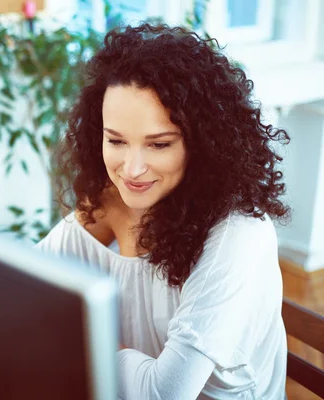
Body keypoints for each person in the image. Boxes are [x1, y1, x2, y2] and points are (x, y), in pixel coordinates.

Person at [36, 23, 290, 399]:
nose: (132, 169)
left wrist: (91, 342)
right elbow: (28, 285)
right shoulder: (109, 201)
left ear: (202, 143)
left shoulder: (239, 234)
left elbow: (164, 393)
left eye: (159, 145)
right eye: (116, 140)